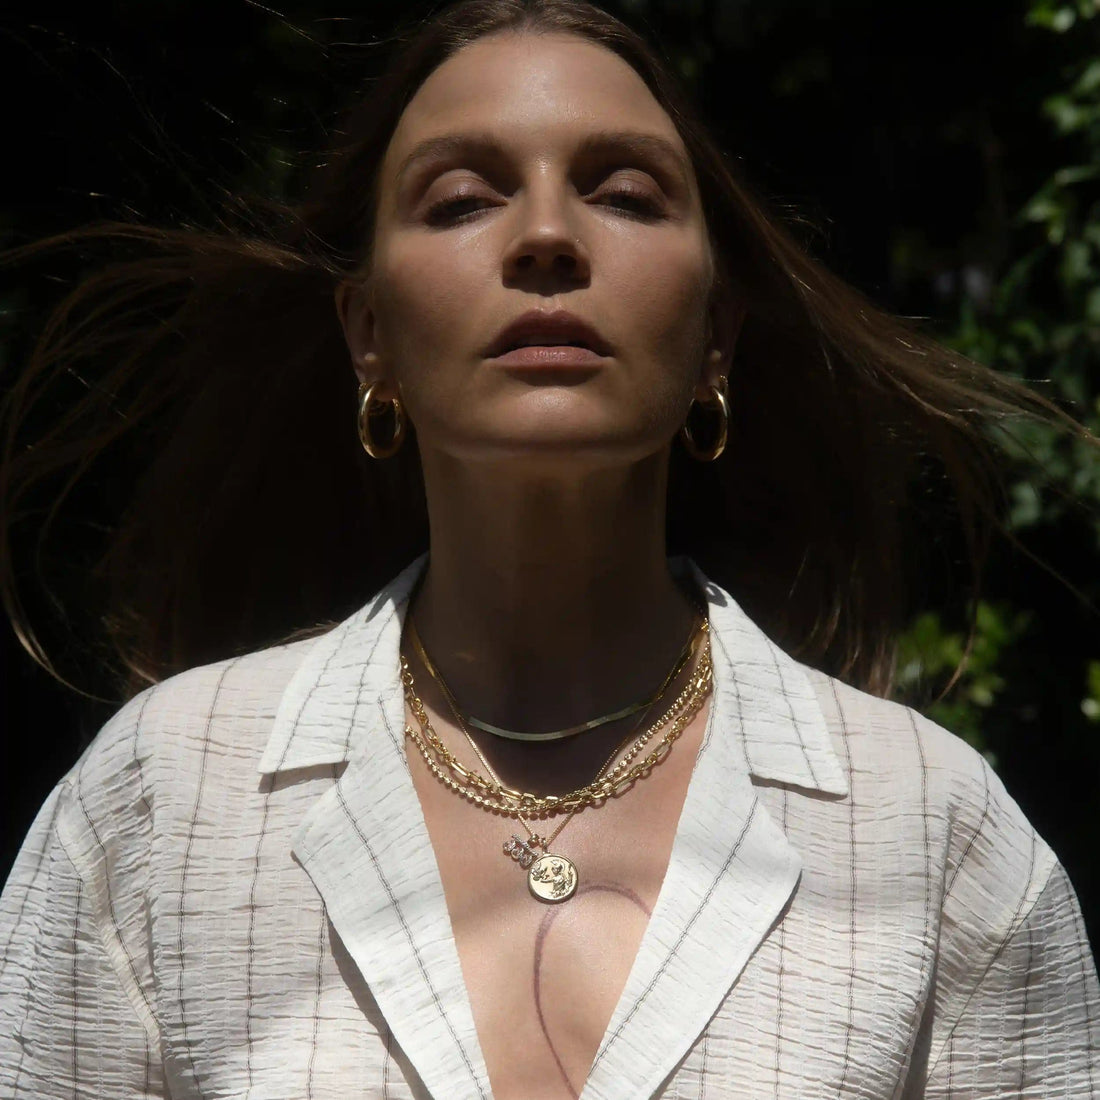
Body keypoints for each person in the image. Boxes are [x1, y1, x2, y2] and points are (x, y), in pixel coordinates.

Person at [0, 0, 1097, 1096]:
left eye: (622, 193)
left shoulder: (936, 834)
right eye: (462, 199)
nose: (545, 237)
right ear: (368, 335)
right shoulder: (156, 808)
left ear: (715, 337)